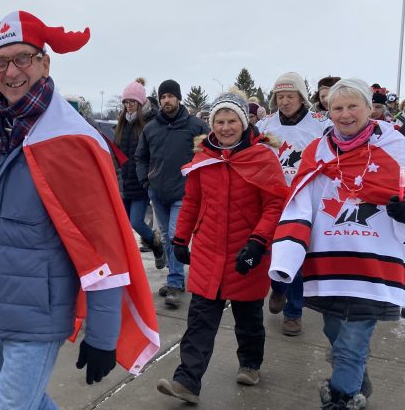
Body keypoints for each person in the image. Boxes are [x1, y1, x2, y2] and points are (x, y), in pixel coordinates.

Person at [0, 10, 160, 409]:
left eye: (23, 58)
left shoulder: (72, 143)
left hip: (40, 318)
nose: (11, 71)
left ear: (45, 62)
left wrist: (103, 333)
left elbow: (103, 246)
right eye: (1, 62)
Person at [269, 78, 405, 410]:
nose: (345, 114)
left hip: (375, 265)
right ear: (328, 112)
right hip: (329, 264)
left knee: (352, 341)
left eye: (352, 106)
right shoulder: (318, 151)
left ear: (369, 109)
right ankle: (357, 377)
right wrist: (285, 260)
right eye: (337, 108)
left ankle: (343, 398)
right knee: (334, 333)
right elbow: (299, 202)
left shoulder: (395, 146)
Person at [155, 92, 288, 404]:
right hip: (208, 253)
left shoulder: (262, 157)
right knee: (200, 320)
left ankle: (251, 363)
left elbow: (275, 204)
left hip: (247, 253)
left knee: (249, 318)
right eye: (219, 121)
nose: (226, 127)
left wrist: (258, 242)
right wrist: (180, 238)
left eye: (232, 121)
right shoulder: (203, 159)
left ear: (243, 122)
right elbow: (192, 201)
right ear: (211, 123)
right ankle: (186, 380)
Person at [257, 71, 331, 336]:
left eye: (290, 96)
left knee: (297, 255)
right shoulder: (265, 126)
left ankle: (294, 312)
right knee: (271, 252)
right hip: (272, 198)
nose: (285, 101)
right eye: (280, 96)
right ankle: (278, 289)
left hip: (304, 200)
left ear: (301, 97)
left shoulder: (320, 123)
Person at [136, 79, 210, 308]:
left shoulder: (195, 126)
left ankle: (176, 283)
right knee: (168, 238)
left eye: (170, 96)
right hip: (158, 192)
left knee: (175, 235)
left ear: (178, 98)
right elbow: (141, 157)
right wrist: (146, 181)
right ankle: (174, 277)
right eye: (163, 97)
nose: (166, 100)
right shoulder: (151, 128)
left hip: (184, 192)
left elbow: (210, 151)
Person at [117, 77, 166, 269]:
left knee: (137, 222)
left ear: (140, 103)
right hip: (124, 182)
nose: (128, 106)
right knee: (126, 224)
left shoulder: (149, 123)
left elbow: (151, 154)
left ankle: (156, 244)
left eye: (132, 102)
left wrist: (148, 178)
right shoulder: (123, 124)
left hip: (141, 182)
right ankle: (129, 260)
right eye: (126, 102)